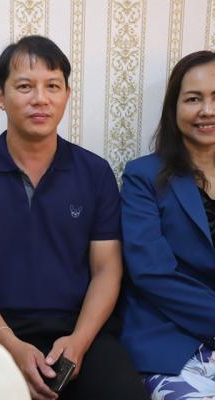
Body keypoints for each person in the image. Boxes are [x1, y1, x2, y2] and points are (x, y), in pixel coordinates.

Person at [0, 35, 148, 400]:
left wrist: (79, 341)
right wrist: (10, 345)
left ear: (67, 94)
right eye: (25, 87)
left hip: (78, 329)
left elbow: (107, 269)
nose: (40, 99)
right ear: (0, 96)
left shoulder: (94, 173)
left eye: (52, 86)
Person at [120, 50, 215, 399]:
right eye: (193, 99)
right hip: (170, 341)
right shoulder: (143, 176)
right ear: (174, 108)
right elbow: (151, 272)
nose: (207, 110)